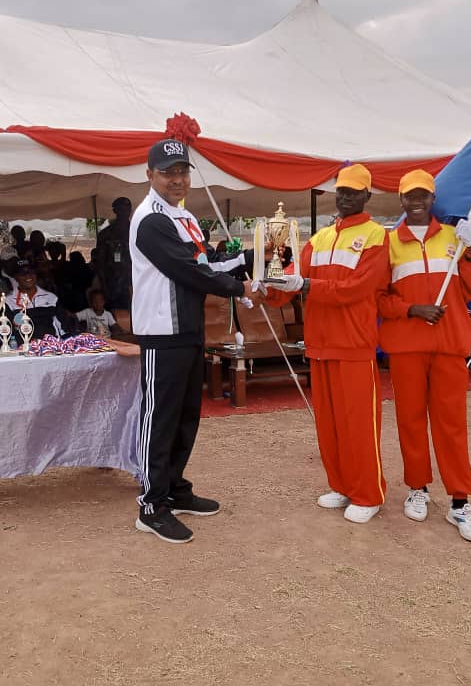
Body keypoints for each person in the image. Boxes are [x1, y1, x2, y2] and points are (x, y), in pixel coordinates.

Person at [130, 138, 260, 544]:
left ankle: (174, 488)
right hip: (160, 331)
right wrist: (240, 289)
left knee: (187, 415)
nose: (177, 179)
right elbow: (189, 272)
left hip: (188, 329)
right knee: (160, 418)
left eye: (183, 171)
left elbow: (204, 262)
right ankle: (151, 505)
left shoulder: (182, 216)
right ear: (150, 175)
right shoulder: (151, 218)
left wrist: (255, 261)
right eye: (168, 172)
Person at [262, 163, 390, 525]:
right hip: (320, 343)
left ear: (367, 195)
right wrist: (264, 287)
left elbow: (357, 289)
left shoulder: (377, 236)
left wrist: (304, 286)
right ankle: (341, 484)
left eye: (353, 191)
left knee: (359, 425)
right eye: (341, 190)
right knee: (329, 424)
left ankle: (368, 492)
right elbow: (291, 278)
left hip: (354, 345)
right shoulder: (319, 238)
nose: (346, 196)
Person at [378, 169, 471, 542]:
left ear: (432, 198)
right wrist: (411, 310)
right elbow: (380, 297)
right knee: (410, 421)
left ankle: (460, 501)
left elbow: (470, 289)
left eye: (424, 195)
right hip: (407, 346)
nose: (418, 201)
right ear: (402, 201)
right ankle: (418, 488)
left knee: (452, 425)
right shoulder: (389, 243)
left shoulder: (454, 238)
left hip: (449, 345)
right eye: (411, 196)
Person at [95, 197, 134, 310]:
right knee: (115, 315)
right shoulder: (105, 234)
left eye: (127, 209)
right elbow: (100, 263)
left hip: (134, 282)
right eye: (121, 208)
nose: (124, 212)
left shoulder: (138, 232)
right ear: (115, 210)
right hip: (112, 283)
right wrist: (104, 286)